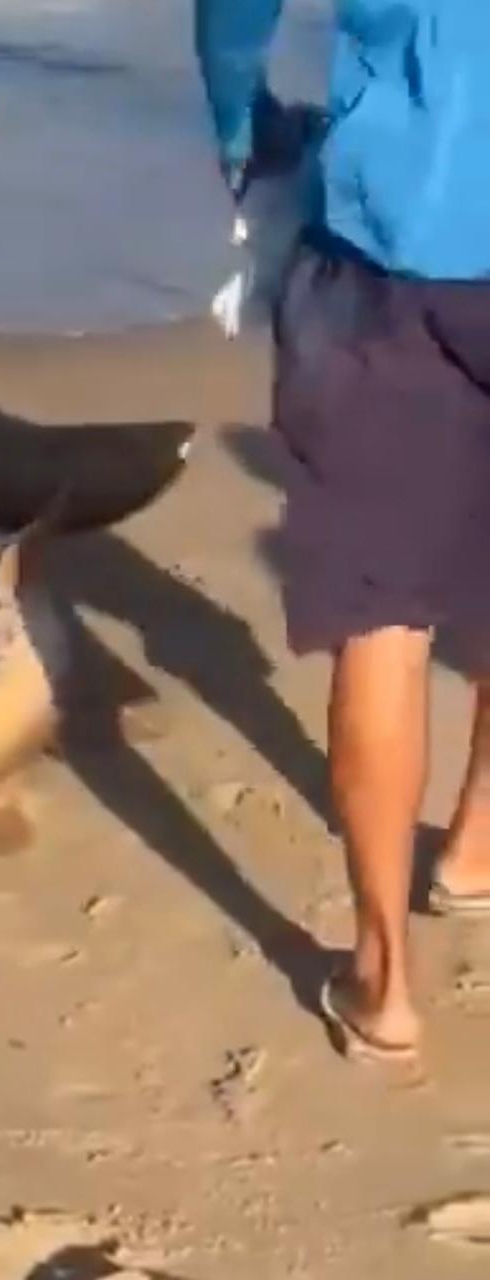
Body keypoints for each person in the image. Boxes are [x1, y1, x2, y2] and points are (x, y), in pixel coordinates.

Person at [193, 2, 490, 1063]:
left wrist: (243, 129)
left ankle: (383, 981)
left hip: (389, 255)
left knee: (382, 617)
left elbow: (233, 20)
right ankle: (475, 846)